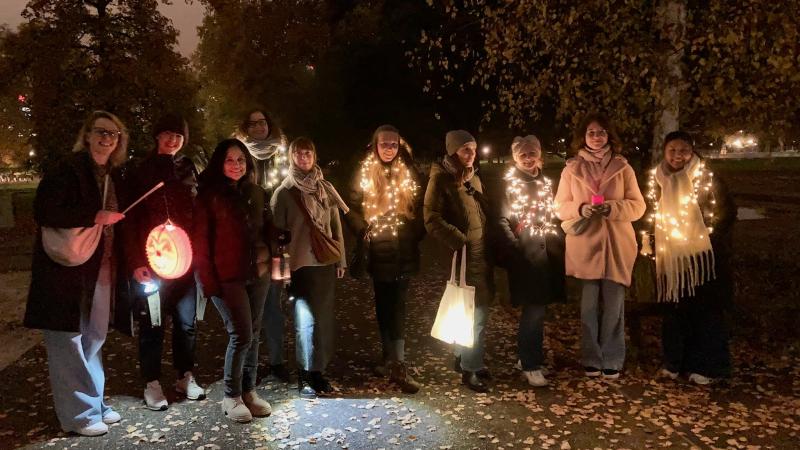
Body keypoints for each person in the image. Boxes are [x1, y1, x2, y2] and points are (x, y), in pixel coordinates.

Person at [24, 111, 128, 436]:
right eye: (101, 132)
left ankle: (93, 402)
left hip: (99, 267)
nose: (107, 138)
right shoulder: (68, 169)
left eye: (114, 134)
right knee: (67, 339)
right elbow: (43, 210)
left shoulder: (109, 173)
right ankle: (78, 414)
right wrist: (93, 215)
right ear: (87, 135)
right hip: (65, 269)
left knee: (94, 335)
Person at [554, 113, 646, 379]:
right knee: (589, 306)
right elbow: (560, 206)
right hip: (586, 244)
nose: (596, 137)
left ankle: (613, 358)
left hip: (617, 244)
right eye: (591, 133)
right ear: (583, 137)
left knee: (615, 306)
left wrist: (613, 208)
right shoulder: (572, 168)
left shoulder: (622, 167)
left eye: (601, 132)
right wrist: (581, 208)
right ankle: (591, 357)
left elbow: (638, 205)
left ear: (609, 136)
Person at [641, 131, 736, 385]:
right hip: (671, 256)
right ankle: (673, 363)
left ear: (692, 151)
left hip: (703, 257)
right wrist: (651, 239)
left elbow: (726, 211)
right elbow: (651, 212)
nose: (677, 156)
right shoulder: (658, 179)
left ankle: (707, 366)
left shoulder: (706, 178)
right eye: (672, 150)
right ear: (665, 151)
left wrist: (708, 236)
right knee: (674, 310)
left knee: (705, 312)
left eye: (683, 150)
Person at [124, 113, 206, 410]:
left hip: (185, 262)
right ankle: (152, 381)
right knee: (153, 322)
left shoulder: (187, 169)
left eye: (179, 136)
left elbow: (197, 211)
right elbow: (130, 220)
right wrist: (136, 261)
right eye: (168, 133)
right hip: (153, 261)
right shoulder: (141, 172)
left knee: (186, 323)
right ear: (157, 136)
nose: (173, 140)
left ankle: (185, 374)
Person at [193, 139, 273, 422]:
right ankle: (232, 395)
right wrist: (207, 283)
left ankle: (249, 391)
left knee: (254, 332)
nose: (236, 165)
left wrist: (277, 245)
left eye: (241, 160)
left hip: (258, 273)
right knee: (241, 334)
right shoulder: (209, 196)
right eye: (230, 160)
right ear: (219, 163)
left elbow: (267, 228)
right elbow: (200, 243)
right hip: (228, 277)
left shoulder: (255, 192)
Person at [344, 125, 425, 393]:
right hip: (378, 248)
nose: (389, 149)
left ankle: (398, 361)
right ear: (375, 145)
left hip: (403, 249)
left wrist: (414, 232)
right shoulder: (365, 172)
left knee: (399, 305)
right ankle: (387, 354)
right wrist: (362, 229)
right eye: (384, 144)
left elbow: (422, 205)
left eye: (393, 144)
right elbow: (350, 207)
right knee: (383, 303)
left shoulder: (409, 171)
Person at [271, 137, 348, 399]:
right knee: (305, 321)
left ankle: (319, 372)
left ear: (314, 157)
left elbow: (335, 228)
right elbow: (277, 235)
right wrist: (281, 273)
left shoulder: (324, 188)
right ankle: (304, 373)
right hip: (299, 266)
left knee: (324, 320)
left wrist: (341, 260)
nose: (303, 158)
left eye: (308, 153)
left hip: (324, 263)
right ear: (291, 157)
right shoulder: (284, 192)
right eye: (298, 154)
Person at [423, 129, 494, 393]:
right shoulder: (441, 179)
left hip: (480, 250)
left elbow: (481, 210)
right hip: (463, 254)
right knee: (474, 312)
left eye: (474, 150)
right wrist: (459, 240)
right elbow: (431, 217)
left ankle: (463, 357)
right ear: (453, 151)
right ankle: (470, 368)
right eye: (466, 150)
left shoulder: (472, 177)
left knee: (475, 307)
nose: (471, 154)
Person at [497, 135, 565, 387]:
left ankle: (529, 355)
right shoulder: (510, 184)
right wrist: (516, 247)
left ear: (540, 154)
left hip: (547, 253)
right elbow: (502, 221)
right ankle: (530, 364)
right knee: (533, 308)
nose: (528, 158)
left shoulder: (545, 182)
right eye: (523, 154)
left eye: (532, 153)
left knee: (539, 307)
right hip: (526, 255)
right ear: (515, 157)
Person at [234, 108, 291, 382]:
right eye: (253, 123)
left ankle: (277, 360)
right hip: (250, 246)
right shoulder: (239, 157)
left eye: (263, 122)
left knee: (273, 305)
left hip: (277, 243)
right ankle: (248, 365)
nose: (258, 127)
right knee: (249, 310)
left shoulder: (282, 154)